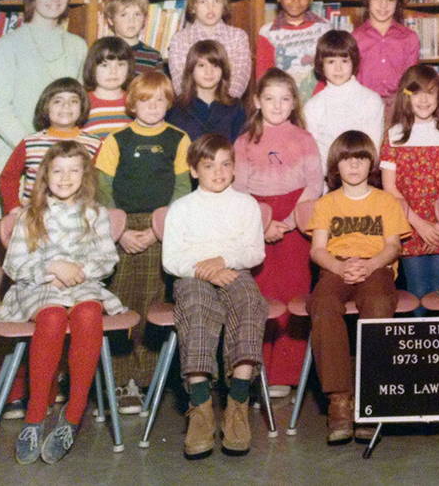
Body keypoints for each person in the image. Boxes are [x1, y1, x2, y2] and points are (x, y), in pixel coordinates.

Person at [0, 141, 123, 464]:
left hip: (82, 283)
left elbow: (107, 260)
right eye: (58, 170)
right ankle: (35, 416)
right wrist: (51, 268)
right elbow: (14, 265)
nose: (65, 178)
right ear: (45, 175)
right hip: (38, 285)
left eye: (74, 170)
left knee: (90, 312)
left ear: (86, 175)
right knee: (51, 318)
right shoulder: (30, 215)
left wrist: (75, 272)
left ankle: (73, 414)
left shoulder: (95, 214)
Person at [0, 0, 88, 321]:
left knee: (55, 250)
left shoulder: (77, 45)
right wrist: (36, 148)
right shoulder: (8, 43)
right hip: (14, 159)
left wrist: (58, 152)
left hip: (63, 167)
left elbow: (76, 103)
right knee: (4, 254)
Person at [162, 133, 267, 459]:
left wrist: (223, 261)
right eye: (209, 166)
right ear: (194, 170)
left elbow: (254, 252)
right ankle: (201, 407)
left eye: (225, 165)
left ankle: (237, 404)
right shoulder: (181, 208)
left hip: (234, 271)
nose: (218, 172)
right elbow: (171, 260)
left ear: (234, 168)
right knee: (195, 307)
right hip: (193, 275)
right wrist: (205, 270)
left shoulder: (245, 204)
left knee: (251, 303)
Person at [305, 130, 410, 445]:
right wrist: (338, 266)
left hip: (375, 266)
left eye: (361, 159)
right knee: (322, 305)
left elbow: (393, 246)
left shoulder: (386, 201)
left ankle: (371, 397)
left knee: (378, 303)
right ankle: (339, 400)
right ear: (336, 166)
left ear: (371, 165)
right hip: (337, 266)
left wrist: (371, 264)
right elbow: (317, 250)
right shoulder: (326, 203)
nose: (353, 166)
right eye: (346, 160)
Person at [95, 71, 191, 413]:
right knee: (121, 300)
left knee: (153, 300)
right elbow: (102, 188)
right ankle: (123, 381)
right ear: (132, 103)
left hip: (160, 226)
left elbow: (182, 189)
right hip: (122, 226)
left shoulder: (178, 139)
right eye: (146, 100)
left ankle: (147, 377)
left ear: (169, 103)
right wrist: (118, 231)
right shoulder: (116, 139)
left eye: (161, 100)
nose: (153, 107)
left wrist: (156, 230)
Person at [233, 68, 322, 398]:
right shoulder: (244, 141)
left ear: (294, 103)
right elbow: (239, 188)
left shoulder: (304, 138)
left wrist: (291, 220)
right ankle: (255, 369)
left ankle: (285, 374)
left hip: (296, 218)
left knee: (293, 292)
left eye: (285, 99)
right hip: (256, 219)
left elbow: (315, 182)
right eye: (269, 99)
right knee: (260, 293)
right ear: (257, 101)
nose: (277, 105)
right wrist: (264, 223)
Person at [380, 64, 439, 309]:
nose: (423, 99)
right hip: (409, 227)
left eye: (430, 92)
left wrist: (438, 225)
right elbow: (390, 190)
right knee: (416, 294)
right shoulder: (394, 136)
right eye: (416, 93)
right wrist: (420, 224)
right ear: (406, 97)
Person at [0, 79, 101, 214]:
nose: (66, 106)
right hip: (35, 217)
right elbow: (8, 177)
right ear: (46, 107)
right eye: (58, 101)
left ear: (83, 107)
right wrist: (13, 208)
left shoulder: (94, 144)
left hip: (77, 218)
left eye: (74, 101)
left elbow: (101, 184)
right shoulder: (30, 142)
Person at [304, 30, 384, 173]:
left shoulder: (371, 100)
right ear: (320, 64)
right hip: (327, 180)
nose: (338, 68)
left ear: (354, 62)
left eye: (344, 61)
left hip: (363, 179)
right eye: (331, 62)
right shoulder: (313, 106)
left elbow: (374, 149)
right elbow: (313, 155)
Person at [352, 0, 419, 122]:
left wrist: (404, 107)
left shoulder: (409, 37)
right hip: (364, 104)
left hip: (399, 105)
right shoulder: (355, 38)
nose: (383, 5)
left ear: (398, 3)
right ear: (367, 0)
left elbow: (411, 79)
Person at [167, 0, 251, 99]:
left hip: (228, 107)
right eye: (203, 1)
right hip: (191, 108)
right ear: (192, 8)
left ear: (224, 6)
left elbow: (239, 79)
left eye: (216, 1)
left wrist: (221, 106)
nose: (210, 7)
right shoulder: (180, 39)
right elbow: (180, 82)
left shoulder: (238, 37)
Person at [256, 0, 331, 102]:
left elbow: (331, 66)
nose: (296, 0)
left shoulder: (325, 29)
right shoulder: (268, 33)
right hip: (282, 102)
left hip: (321, 100)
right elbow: (263, 76)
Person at [166, 40, 246, 143]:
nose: (209, 72)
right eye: (201, 65)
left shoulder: (236, 109)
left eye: (215, 66)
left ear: (223, 70)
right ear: (191, 70)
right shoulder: (175, 109)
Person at [81, 36, 135, 140]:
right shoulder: (83, 103)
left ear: (129, 68)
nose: (113, 71)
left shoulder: (134, 102)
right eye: (105, 65)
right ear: (92, 68)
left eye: (120, 64)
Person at [101, 0, 165, 75]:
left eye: (137, 14)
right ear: (110, 20)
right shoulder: (102, 52)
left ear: (145, 19)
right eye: (123, 15)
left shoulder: (153, 56)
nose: (131, 21)